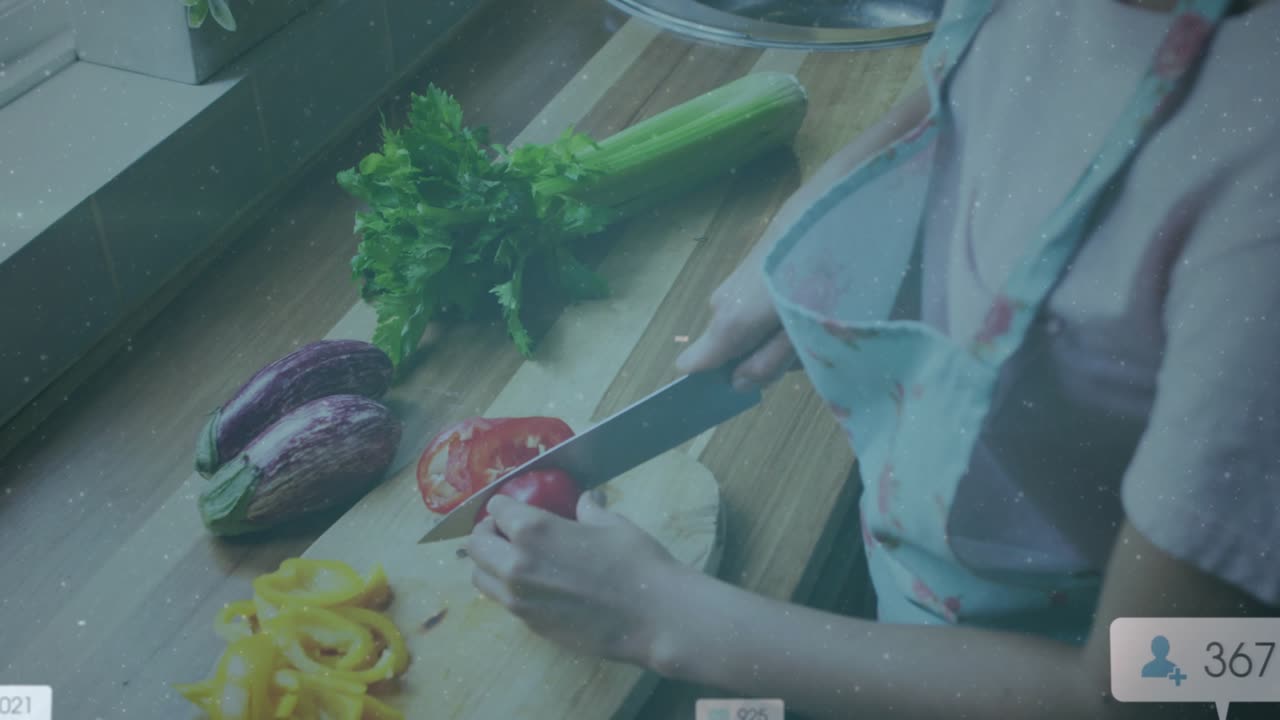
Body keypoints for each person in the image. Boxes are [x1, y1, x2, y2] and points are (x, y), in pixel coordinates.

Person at [466, 0, 1280, 717]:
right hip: (910, 635)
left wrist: (663, 618)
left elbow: (1165, 691)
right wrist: (817, 215)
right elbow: (954, 82)